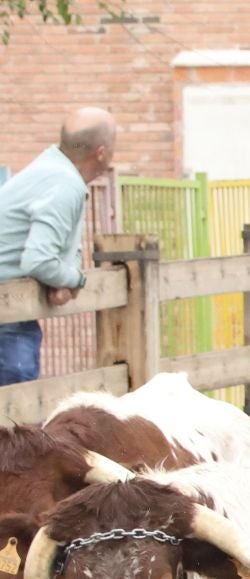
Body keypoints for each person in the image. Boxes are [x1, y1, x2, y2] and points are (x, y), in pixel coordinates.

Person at [0, 107, 114, 387]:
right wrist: (76, 279)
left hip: (10, 308)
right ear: (101, 152)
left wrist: (60, 275)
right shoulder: (63, 183)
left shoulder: (50, 170)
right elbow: (38, 259)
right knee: (16, 413)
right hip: (8, 315)